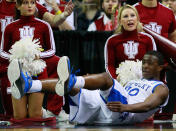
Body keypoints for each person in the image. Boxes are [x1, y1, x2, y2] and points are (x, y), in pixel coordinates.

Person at [8, 51, 169, 124]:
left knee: (107, 78)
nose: (145, 66)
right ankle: (27, 86)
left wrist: (126, 107)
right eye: (144, 62)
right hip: (106, 112)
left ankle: (74, 80)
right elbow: (114, 91)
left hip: (124, 112)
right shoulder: (135, 80)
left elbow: (149, 105)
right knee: (73, 87)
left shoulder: (161, 88)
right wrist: (89, 81)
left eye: (150, 63)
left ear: (161, 67)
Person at [0, 0, 73, 119]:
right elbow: (2, 51)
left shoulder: (44, 25)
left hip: (37, 66)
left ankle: (55, 110)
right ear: (17, 6)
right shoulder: (10, 27)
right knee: (17, 116)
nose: (29, 5)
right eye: (25, 3)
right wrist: (16, 56)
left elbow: (52, 48)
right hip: (14, 65)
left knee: (58, 62)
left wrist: (36, 55)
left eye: (32, 3)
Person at [134, 0, 176, 120]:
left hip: (162, 72)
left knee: (161, 117)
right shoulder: (133, 11)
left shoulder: (168, 13)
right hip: (139, 70)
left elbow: (172, 43)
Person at [104, 4, 157, 79]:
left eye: (132, 15)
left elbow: (153, 63)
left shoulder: (148, 39)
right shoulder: (112, 41)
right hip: (121, 83)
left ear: (137, 19)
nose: (130, 19)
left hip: (144, 82)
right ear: (120, 21)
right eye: (125, 16)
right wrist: (116, 80)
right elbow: (109, 66)